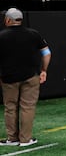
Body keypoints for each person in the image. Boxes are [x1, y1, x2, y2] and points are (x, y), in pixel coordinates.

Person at [0, 8, 51, 147]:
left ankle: (12, 138)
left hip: (8, 78)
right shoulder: (34, 34)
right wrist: (44, 70)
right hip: (31, 76)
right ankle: (25, 139)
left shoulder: (2, 36)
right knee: (27, 107)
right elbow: (46, 53)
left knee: (10, 107)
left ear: (8, 20)